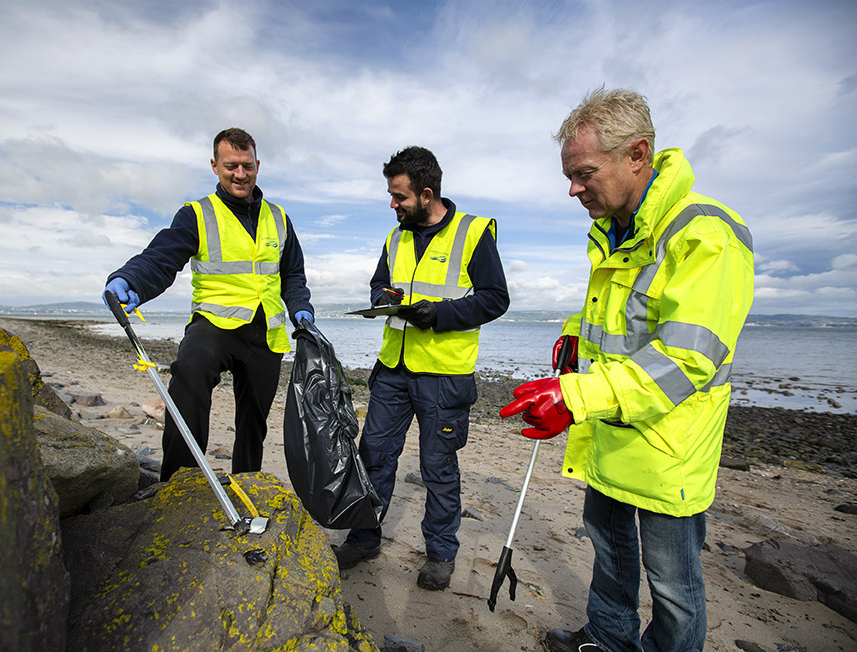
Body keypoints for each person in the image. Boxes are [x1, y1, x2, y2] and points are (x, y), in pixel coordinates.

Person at [500, 87, 754, 652]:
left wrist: (576, 398)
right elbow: (615, 318)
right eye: (571, 174)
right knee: (609, 551)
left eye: (584, 172)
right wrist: (571, 339)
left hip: (668, 445)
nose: (573, 188)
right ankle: (609, 640)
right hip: (610, 429)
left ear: (636, 154)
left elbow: (687, 358)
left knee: (673, 584)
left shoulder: (705, 234)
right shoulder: (615, 227)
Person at [332, 146, 509, 591]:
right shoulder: (396, 237)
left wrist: (441, 314)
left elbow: (495, 298)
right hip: (392, 369)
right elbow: (378, 283)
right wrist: (382, 297)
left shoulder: (473, 233)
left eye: (400, 197)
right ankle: (364, 537)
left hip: (445, 378)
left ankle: (441, 555)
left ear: (427, 194)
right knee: (373, 458)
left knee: (438, 469)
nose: (393, 205)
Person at [104, 127, 314, 481]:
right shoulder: (196, 214)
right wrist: (131, 280)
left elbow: (293, 275)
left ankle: (246, 483)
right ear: (215, 166)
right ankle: (177, 483)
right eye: (231, 165)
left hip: (266, 333)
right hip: (215, 325)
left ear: (258, 166)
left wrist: (302, 310)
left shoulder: (279, 218)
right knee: (188, 373)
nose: (240, 174)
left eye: (247, 166)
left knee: (254, 421)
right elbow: (161, 257)